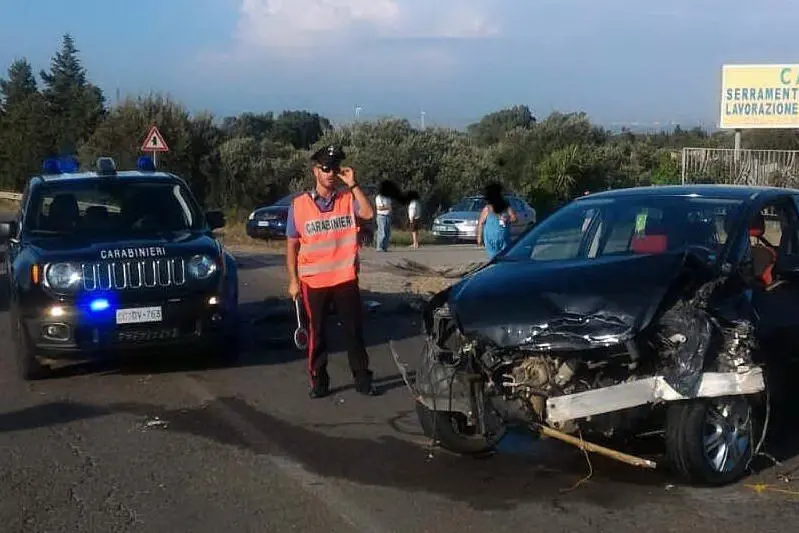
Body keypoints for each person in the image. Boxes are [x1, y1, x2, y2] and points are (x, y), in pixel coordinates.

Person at [285, 145, 379, 399]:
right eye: (325, 168)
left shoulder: (347, 199)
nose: (330, 173)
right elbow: (292, 245)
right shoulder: (299, 205)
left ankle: (362, 379)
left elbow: (369, 214)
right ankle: (319, 381)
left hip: (344, 278)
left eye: (334, 168)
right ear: (316, 171)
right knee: (317, 334)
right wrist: (293, 281)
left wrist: (354, 185)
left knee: (354, 331)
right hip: (313, 282)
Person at [476, 182, 517, 260]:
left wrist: (507, 219)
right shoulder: (487, 208)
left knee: (503, 258)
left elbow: (514, 218)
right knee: (496, 258)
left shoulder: (506, 207)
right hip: (492, 239)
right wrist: (479, 238)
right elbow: (480, 223)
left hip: (502, 238)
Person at [374, 183, 392, 252]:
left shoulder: (388, 197)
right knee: (382, 232)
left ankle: (385, 247)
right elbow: (379, 208)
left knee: (387, 233)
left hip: (388, 216)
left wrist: (390, 210)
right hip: (381, 216)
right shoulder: (379, 197)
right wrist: (388, 207)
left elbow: (390, 206)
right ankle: (379, 247)